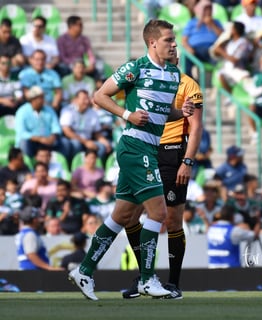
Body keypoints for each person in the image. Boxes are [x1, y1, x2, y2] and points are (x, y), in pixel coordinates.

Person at [68, 19, 195, 301]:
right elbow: (99, 96)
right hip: (135, 147)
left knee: (122, 216)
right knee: (159, 213)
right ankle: (148, 279)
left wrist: (181, 112)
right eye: (168, 40)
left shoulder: (174, 74)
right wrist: (128, 115)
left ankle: (84, 270)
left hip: (150, 148)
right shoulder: (135, 68)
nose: (174, 44)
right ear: (152, 43)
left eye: (174, 40)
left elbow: (164, 112)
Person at [122, 48, 204, 300]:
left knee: (171, 220)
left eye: (172, 56)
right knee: (129, 217)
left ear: (177, 60)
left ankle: (174, 283)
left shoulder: (189, 86)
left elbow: (197, 125)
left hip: (172, 154)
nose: (169, 59)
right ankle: (147, 277)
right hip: (144, 149)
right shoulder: (147, 78)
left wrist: (187, 161)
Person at [14, 86, 69, 159]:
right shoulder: (22, 112)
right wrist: (40, 139)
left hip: (48, 140)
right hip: (32, 141)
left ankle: (61, 163)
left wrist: (53, 136)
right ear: (33, 99)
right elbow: (21, 132)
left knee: (65, 142)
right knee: (23, 142)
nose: (43, 100)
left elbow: (56, 127)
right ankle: (28, 164)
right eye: (40, 98)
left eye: (43, 97)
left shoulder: (49, 110)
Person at [60, 89, 112, 162]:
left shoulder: (93, 113)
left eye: (88, 98)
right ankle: (74, 166)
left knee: (101, 147)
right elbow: (67, 131)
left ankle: (95, 168)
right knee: (76, 144)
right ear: (76, 100)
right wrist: (85, 142)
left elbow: (96, 133)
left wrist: (105, 142)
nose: (87, 102)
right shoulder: (68, 110)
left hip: (88, 140)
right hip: (72, 139)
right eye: (84, 99)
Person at [207, 204, 260, 268]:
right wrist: (258, 222)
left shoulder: (211, 229)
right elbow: (254, 235)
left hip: (212, 268)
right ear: (232, 216)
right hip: (231, 270)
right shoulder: (234, 230)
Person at [181, 0, 223, 78]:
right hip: (195, 50)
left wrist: (212, 24)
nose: (208, 11)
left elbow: (222, 37)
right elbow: (184, 40)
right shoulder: (192, 22)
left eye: (210, 9)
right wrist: (188, 48)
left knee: (220, 61)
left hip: (212, 49)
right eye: (205, 9)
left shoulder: (216, 22)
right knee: (185, 57)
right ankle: (189, 82)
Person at [15, 205, 63, 270]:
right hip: (33, 272)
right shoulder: (30, 234)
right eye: (38, 218)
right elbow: (31, 254)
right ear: (34, 220)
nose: (40, 220)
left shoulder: (23, 233)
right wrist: (48, 267)